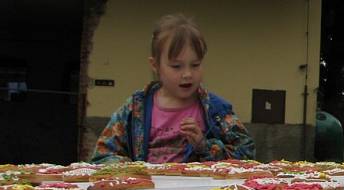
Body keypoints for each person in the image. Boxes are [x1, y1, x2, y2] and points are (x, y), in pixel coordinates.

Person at [91, 14, 255, 164]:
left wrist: (204, 146)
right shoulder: (135, 108)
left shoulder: (216, 110)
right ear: (155, 65)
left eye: (195, 65)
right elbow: (102, 155)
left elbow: (247, 155)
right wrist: (133, 171)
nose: (187, 74)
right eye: (176, 66)